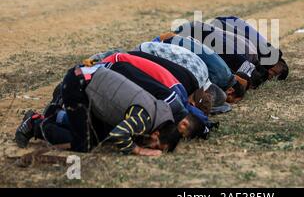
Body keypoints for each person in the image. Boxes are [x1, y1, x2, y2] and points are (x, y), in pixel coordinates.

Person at [15, 65, 181, 156]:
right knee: (84, 145)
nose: (153, 148)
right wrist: (139, 150)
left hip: (87, 80)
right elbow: (118, 134)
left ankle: (56, 114)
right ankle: (35, 124)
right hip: (78, 84)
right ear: (156, 134)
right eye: (156, 145)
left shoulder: (161, 113)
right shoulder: (145, 119)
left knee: (97, 137)